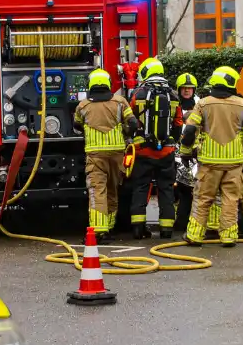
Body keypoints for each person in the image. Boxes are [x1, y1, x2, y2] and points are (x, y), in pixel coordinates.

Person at [180, 66, 243, 247]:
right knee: (230, 200)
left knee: (203, 199)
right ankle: (228, 237)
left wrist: (185, 153)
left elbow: (190, 131)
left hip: (209, 162)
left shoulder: (203, 104)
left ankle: (194, 236)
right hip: (234, 163)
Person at [75, 69, 139, 241]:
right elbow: (133, 123)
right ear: (108, 83)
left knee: (97, 190)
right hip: (117, 154)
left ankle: (97, 230)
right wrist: (125, 134)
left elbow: (77, 125)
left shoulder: (83, 105)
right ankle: (109, 227)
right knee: (112, 191)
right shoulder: (120, 102)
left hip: (95, 156)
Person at [128, 58, 183, 239]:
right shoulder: (173, 95)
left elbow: (130, 117)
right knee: (166, 189)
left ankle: (137, 229)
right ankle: (166, 230)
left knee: (141, 187)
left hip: (143, 151)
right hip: (166, 152)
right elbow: (178, 122)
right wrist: (171, 141)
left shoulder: (139, 93)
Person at [173, 73, 199, 231]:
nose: (187, 91)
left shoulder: (200, 104)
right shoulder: (174, 103)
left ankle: (191, 220)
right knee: (180, 188)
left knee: (194, 188)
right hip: (177, 151)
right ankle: (181, 220)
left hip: (195, 151)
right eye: (184, 88)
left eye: (190, 88)